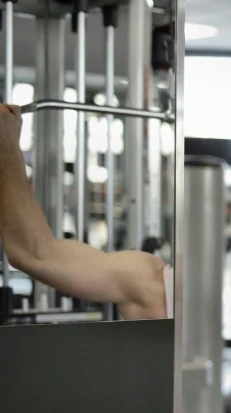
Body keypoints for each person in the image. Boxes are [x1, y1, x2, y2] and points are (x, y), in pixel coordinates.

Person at [0, 104, 172, 320]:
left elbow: (32, 253)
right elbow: (33, 253)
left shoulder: (154, 287)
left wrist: (6, 148)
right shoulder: (154, 284)